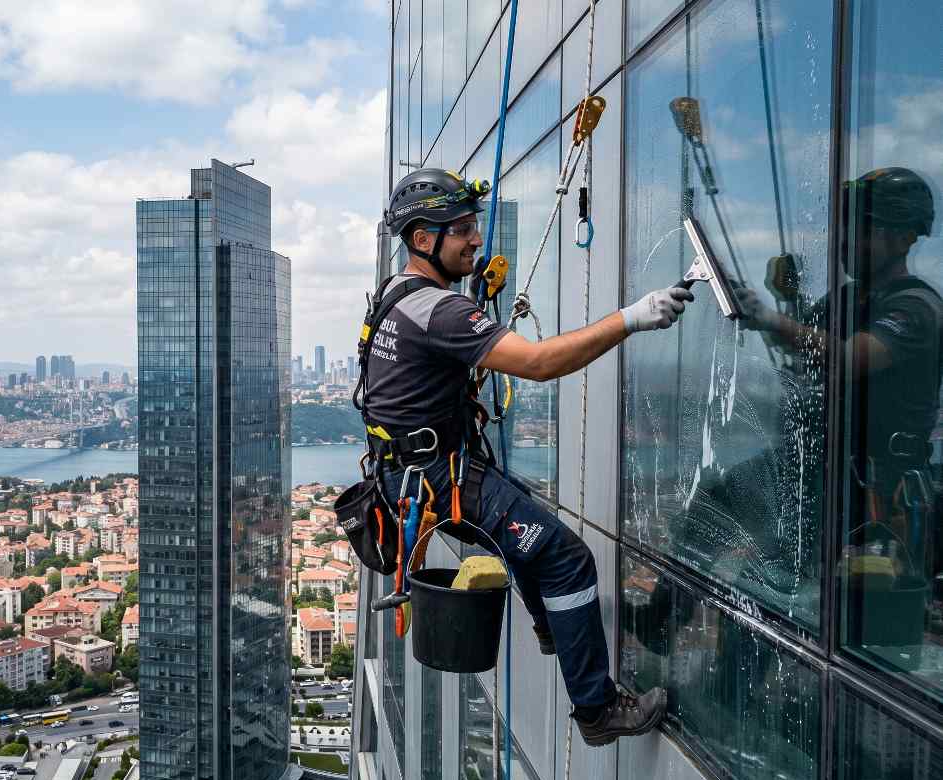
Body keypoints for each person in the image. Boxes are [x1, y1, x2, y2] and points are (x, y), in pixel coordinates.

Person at [362, 168, 694, 746]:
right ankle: (597, 709)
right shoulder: (441, 313)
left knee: (531, 536)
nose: (475, 239)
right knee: (568, 559)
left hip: (415, 473)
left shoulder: (398, 295)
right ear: (422, 241)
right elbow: (538, 362)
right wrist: (631, 319)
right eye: (461, 229)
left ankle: (552, 625)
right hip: (442, 478)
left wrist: (474, 300)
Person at [738, 167, 942, 583]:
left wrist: (771, 319)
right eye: (846, 228)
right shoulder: (846, 299)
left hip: (875, 490)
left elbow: (849, 358)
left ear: (905, 238)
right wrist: (787, 302)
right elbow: (805, 355)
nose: (847, 240)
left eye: (865, 229)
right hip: (826, 471)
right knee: (718, 501)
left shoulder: (918, 308)